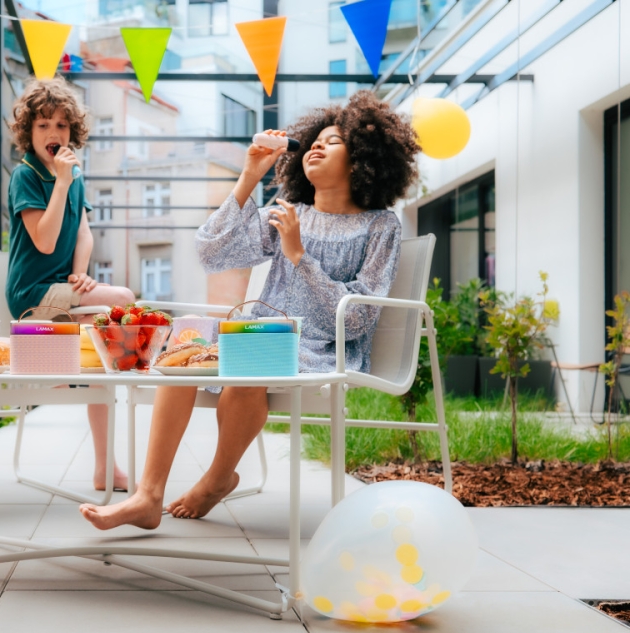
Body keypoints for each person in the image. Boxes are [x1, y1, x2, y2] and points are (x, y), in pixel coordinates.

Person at [80, 91, 421, 530]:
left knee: (249, 364)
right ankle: (148, 496)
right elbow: (211, 253)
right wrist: (247, 176)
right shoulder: (286, 211)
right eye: (314, 140)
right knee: (181, 356)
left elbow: (357, 319)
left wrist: (299, 255)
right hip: (259, 338)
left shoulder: (380, 226)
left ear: (363, 160)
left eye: (333, 142)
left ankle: (218, 478)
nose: (316, 145)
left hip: (321, 348)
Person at [6, 78, 136, 492]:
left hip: (62, 287)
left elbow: (84, 232)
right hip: (31, 294)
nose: (53, 134)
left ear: (72, 132)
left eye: (62, 125)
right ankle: (61, 369)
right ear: (28, 132)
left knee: (102, 360)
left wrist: (80, 272)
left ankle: (105, 467)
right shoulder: (25, 176)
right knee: (122, 301)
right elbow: (43, 241)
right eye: (43, 125)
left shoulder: (74, 175)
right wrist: (60, 182)